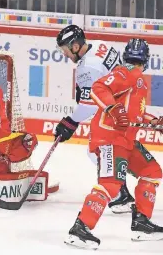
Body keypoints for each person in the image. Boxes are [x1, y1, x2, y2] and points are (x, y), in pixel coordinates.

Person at [64, 39, 163, 249]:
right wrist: (112, 109)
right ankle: (80, 229)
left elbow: (134, 113)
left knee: (151, 171)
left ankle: (141, 223)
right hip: (109, 139)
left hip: (126, 141)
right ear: (147, 59)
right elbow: (98, 88)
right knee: (111, 183)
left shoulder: (139, 80)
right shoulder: (124, 72)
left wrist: (153, 121)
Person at [55, 24, 134, 213]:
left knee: (98, 151)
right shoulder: (99, 45)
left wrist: (70, 122)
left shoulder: (87, 67)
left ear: (75, 46)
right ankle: (120, 189)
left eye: (65, 50)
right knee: (105, 150)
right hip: (125, 102)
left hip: (114, 111)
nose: (65, 55)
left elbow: (90, 105)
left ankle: (119, 193)